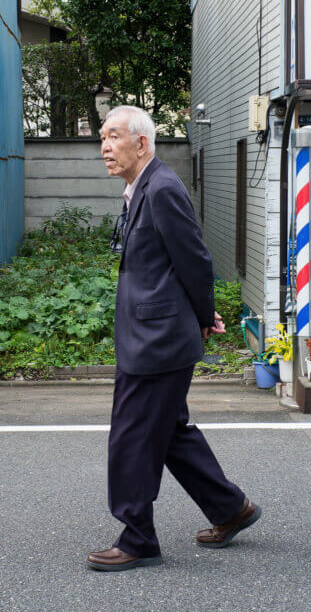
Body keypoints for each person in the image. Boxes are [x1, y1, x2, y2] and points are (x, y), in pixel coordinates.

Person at [86, 105, 258, 572]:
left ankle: (137, 538)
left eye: (113, 136)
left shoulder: (161, 188)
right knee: (169, 435)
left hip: (159, 341)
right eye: (101, 137)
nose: (104, 146)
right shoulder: (137, 189)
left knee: (133, 438)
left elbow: (196, 260)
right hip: (150, 334)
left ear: (141, 143)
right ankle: (230, 508)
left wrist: (204, 316)